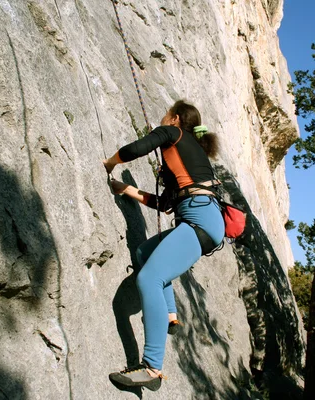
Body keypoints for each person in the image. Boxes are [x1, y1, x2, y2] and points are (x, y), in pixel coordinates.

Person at [104, 100, 225, 391]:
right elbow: (164, 203)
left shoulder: (173, 133)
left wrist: (109, 163)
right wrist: (126, 190)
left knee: (149, 278)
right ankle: (170, 315)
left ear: (176, 118)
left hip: (200, 221)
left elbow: (135, 150)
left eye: (167, 114)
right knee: (144, 253)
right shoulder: (189, 156)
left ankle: (151, 368)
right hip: (203, 219)